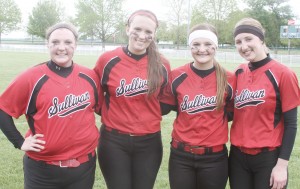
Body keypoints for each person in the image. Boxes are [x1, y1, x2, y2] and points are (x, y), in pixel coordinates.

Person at [0, 22, 101, 189]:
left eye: (68, 42)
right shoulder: (32, 77)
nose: (61, 48)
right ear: (47, 44)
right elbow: (3, 109)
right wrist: (19, 142)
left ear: (75, 44)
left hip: (83, 167)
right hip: (42, 170)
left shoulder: (89, 76)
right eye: (55, 42)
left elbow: (101, 109)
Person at [93, 9, 171, 189]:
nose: (142, 36)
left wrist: (145, 115)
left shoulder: (162, 64)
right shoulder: (107, 60)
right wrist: (114, 113)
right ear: (127, 29)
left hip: (149, 142)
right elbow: (96, 97)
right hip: (113, 141)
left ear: (154, 34)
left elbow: (166, 102)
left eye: (148, 32)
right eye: (137, 29)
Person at [229, 17, 300, 189]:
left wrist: (282, 166)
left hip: (268, 158)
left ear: (261, 39)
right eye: (238, 41)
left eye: (248, 39)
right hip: (237, 157)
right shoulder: (238, 72)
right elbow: (229, 112)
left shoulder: (283, 74)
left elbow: (291, 124)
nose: (243, 46)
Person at [162, 23, 234, 189]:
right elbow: (168, 107)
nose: (202, 49)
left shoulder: (229, 79)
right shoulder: (176, 76)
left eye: (208, 44)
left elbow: (231, 113)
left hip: (214, 157)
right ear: (190, 47)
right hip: (181, 155)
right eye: (196, 44)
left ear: (216, 46)